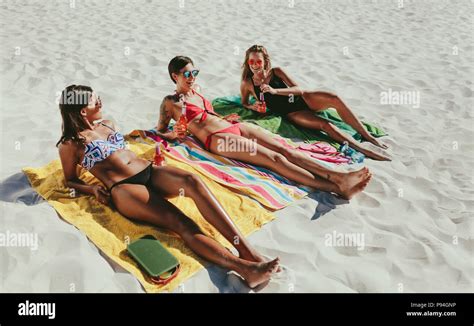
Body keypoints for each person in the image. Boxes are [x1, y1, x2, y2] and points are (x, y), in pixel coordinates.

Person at [56, 84, 279, 288]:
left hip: (149, 171)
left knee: (193, 182)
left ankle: (249, 253)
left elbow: (125, 150)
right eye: (96, 101)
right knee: (181, 222)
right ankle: (244, 269)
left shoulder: (108, 124)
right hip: (125, 189)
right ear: (83, 110)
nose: (101, 103)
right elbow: (70, 180)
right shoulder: (71, 144)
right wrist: (93, 189)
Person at [157, 56, 372, 200]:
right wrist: (173, 134)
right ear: (175, 76)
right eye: (187, 74)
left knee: (286, 150)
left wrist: (225, 117)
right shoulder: (171, 102)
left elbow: (209, 114)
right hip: (218, 140)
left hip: (234, 126)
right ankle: (336, 187)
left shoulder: (199, 91)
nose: (192, 78)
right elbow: (160, 131)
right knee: (274, 159)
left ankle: (335, 175)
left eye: (194, 72)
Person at [240, 45, 390, 161]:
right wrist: (253, 106)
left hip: (304, 99)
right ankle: (363, 149)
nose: (254, 65)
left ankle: (368, 136)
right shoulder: (247, 83)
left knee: (334, 97)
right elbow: (244, 103)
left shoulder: (277, 71)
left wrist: (274, 91)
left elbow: (298, 89)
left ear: (265, 61)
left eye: (258, 61)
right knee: (325, 125)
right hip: (292, 112)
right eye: (251, 61)